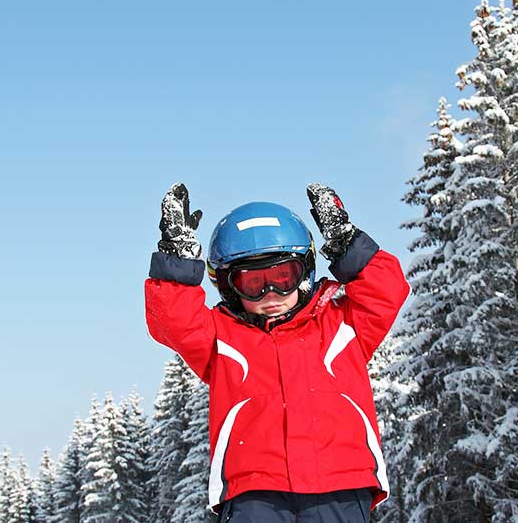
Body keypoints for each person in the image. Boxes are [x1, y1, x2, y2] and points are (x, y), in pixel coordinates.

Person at [145, 182, 409, 522]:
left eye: (283, 277)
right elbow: (172, 321)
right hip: (254, 491)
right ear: (229, 286)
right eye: (253, 284)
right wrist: (176, 258)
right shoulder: (221, 338)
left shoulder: (342, 325)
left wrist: (345, 242)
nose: (270, 293)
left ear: (304, 272)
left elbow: (386, 290)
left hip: (341, 483)